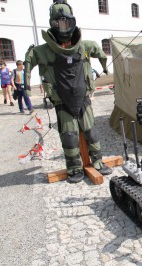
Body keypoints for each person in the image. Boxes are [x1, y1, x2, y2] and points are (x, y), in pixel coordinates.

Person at [24, 0, 112, 183]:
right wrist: (25, 85)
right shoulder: (43, 51)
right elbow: (28, 63)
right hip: (61, 100)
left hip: (83, 98)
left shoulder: (84, 46)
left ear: (73, 22)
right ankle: (73, 167)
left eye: (67, 23)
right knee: (69, 136)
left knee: (91, 132)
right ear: (53, 24)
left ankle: (97, 161)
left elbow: (101, 54)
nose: (64, 27)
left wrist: (105, 67)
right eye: (60, 23)